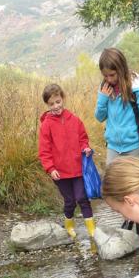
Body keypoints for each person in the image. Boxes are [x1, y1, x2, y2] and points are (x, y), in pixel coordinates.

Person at [38, 83, 95, 239]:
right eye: (51, 104)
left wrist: (85, 148)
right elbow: (44, 150)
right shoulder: (46, 125)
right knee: (70, 201)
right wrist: (50, 168)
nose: (56, 106)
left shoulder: (74, 120)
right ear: (47, 105)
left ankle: (92, 230)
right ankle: (69, 225)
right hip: (60, 172)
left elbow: (83, 138)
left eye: (58, 102)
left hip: (77, 169)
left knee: (82, 198)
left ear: (63, 99)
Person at [95, 48, 139, 165]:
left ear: (121, 69)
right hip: (112, 148)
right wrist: (103, 98)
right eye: (105, 76)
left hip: (133, 147)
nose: (109, 79)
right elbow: (100, 117)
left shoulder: (136, 87)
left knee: (137, 182)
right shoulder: (105, 88)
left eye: (112, 75)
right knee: (114, 182)